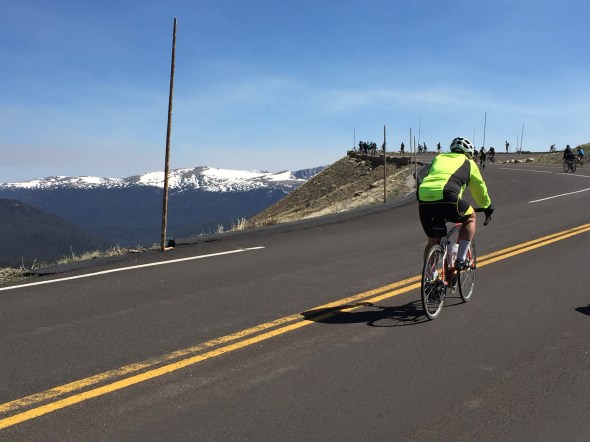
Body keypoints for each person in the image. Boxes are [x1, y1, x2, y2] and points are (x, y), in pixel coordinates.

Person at [418, 137, 493, 269]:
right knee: (470, 217)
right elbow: (479, 188)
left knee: (432, 242)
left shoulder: (439, 158)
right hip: (448, 197)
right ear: (469, 153)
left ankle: (430, 276)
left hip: (424, 198)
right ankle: (460, 258)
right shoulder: (469, 163)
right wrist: (487, 206)